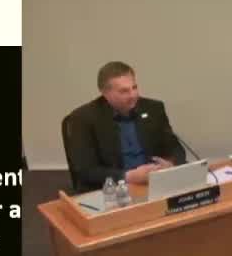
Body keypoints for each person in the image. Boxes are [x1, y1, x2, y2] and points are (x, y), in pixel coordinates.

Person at [63, 61, 186, 192]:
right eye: (124, 91)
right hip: (112, 190)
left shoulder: (153, 108)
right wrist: (128, 176)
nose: (133, 95)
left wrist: (170, 165)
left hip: (154, 184)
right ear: (105, 93)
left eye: (134, 87)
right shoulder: (83, 118)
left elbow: (176, 148)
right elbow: (85, 170)